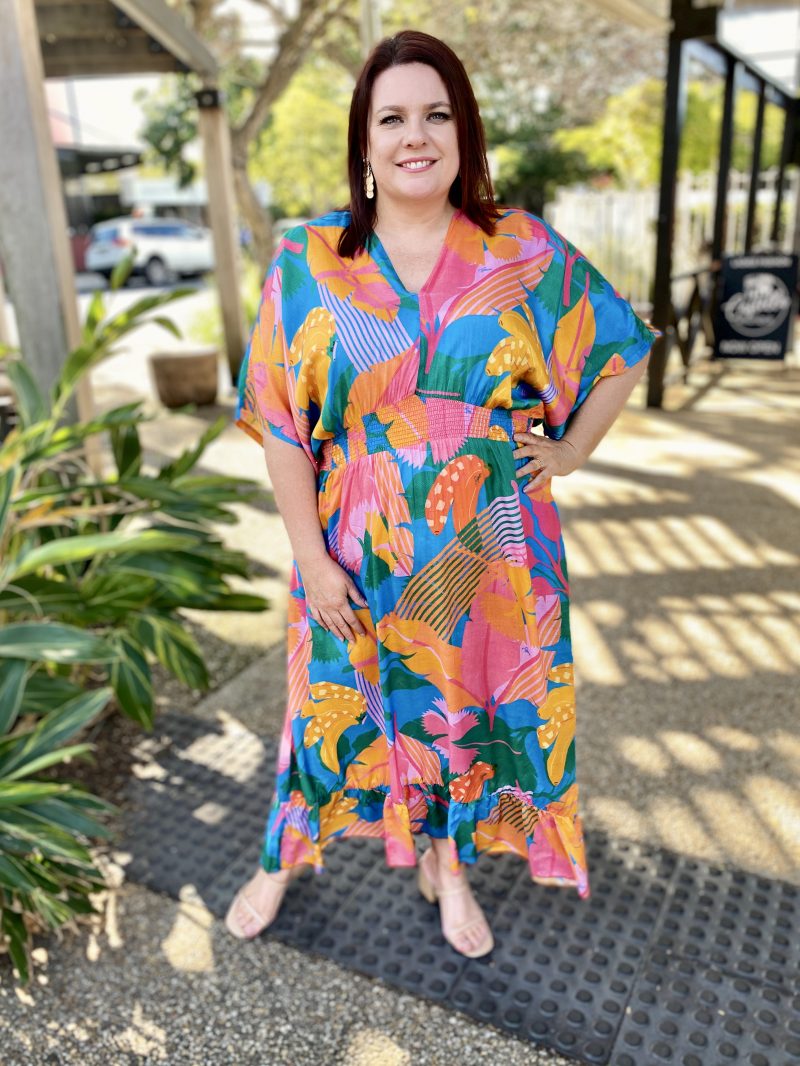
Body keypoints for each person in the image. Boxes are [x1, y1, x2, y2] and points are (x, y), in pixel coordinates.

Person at [225, 29, 657, 958]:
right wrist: (311, 560)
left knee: (463, 712)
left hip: (495, 546)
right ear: (364, 140)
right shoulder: (308, 260)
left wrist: (572, 449)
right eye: (392, 118)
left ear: (465, 132)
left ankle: (449, 866)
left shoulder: (521, 248)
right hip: (351, 550)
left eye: (436, 114)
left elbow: (622, 347)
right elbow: (282, 425)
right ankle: (281, 858)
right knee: (326, 711)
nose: (414, 135)